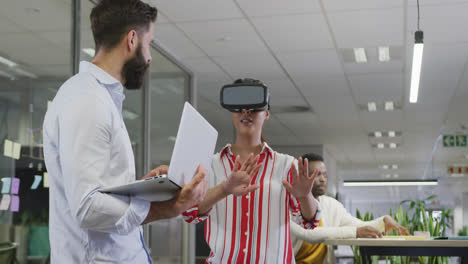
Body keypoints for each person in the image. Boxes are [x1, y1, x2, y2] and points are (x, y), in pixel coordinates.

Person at [42, 0, 207, 262]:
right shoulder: (88, 100)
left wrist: (144, 188)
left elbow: (97, 191)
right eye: (149, 43)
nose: (150, 56)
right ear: (132, 39)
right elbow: (87, 207)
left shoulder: (98, 99)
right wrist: (167, 208)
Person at [182, 78, 322, 263]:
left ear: (267, 114)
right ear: (232, 112)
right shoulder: (210, 165)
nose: (246, 112)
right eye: (239, 107)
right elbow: (188, 212)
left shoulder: (287, 166)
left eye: (254, 107)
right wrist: (224, 189)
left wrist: (305, 196)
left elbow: (308, 222)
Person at [291, 153, 410, 264]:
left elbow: (357, 225)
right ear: (301, 177)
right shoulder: (290, 205)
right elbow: (309, 233)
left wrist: (384, 221)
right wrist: (355, 232)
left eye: (325, 175)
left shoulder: (331, 205)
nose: (323, 179)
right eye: (317, 174)